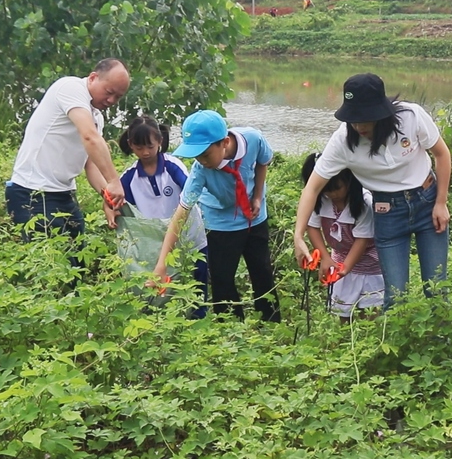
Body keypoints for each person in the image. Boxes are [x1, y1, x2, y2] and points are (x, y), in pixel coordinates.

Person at [294, 73, 452, 308]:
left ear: (382, 112)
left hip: (427, 201)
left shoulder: (411, 117)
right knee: (395, 296)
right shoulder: (343, 142)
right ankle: (397, 343)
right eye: (353, 120)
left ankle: (441, 342)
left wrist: (441, 202)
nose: (359, 126)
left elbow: (442, 154)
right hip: (388, 212)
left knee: (436, 287)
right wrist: (298, 235)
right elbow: (312, 188)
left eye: (365, 119)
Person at [155, 110, 280, 322]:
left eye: (205, 154)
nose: (201, 161)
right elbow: (181, 214)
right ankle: (230, 329)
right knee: (222, 281)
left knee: (262, 273)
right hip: (221, 223)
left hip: (254, 218)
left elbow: (263, 161)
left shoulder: (253, 139)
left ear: (224, 142)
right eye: (196, 156)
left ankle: (271, 323)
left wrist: (258, 196)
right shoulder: (200, 171)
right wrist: (161, 263)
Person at [6, 58, 130, 244]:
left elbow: (92, 165)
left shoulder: (96, 117)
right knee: (50, 265)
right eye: (109, 92)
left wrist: (109, 197)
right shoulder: (70, 88)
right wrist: (114, 181)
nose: (111, 100)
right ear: (93, 78)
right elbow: (89, 136)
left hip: (63, 194)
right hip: (32, 192)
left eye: (118, 97)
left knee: (77, 261)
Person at [113, 116, 209, 318]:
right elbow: (120, 204)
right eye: (139, 147)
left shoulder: (173, 166)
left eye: (150, 146)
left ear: (160, 141)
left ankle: (200, 317)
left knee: (197, 277)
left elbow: (189, 194)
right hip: (159, 241)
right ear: (131, 145)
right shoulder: (129, 177)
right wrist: (111, 212)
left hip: (190, 235)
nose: (146, 152)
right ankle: (167, 319)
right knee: (167, 282)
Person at [299, 153, 385, 321]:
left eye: (337, 188)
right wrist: (325, 257)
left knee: (370, 313)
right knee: (342, 313)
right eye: (326, 190)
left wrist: (345, 269)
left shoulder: (364, 203)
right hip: (339, 260)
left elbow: (362, 240)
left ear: (349, 181)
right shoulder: (320, 200)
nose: (332, 194)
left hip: (369, 264)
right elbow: (312, 227)